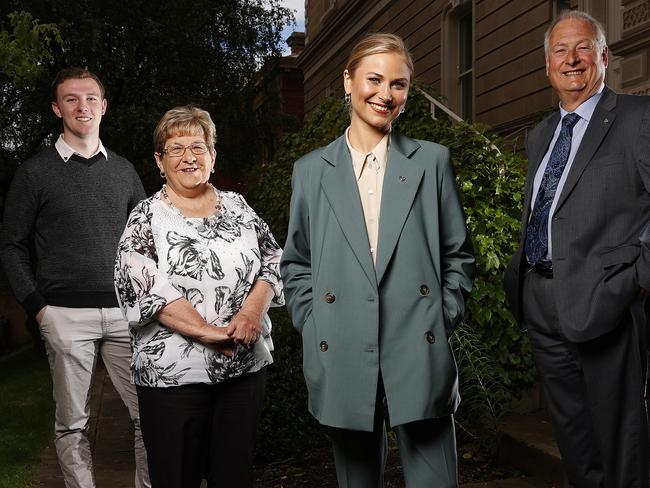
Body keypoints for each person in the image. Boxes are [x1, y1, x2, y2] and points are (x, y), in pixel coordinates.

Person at [280, 33, 475, 487]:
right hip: (343, 348)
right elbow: (297, 262)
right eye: (374, 79)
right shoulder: (311, 171)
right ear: (347, 81)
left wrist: (440, 317)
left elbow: (458, 256)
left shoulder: (432, 162)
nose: (385, 94)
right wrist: (314, 323)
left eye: (399, 84)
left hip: (417, 348)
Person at [504, 10, 650, 488]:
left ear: (604, 57)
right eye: (560, 51)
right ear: (547, 64)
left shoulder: (637, 118)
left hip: (607, 300)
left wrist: (634, 281)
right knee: (573, 438)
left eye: (583, 47)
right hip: (541, 301)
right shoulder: (541, 134)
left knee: (621, 441)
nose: (571, 59)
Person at [114, 105, 284, 488]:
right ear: (160, 161)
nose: (189, 157)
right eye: (176, 149)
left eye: (198, 146)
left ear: (213, 155)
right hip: (172, 378)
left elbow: (274, 258)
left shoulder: (239, 207)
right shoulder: (146, 217)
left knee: (233, 477)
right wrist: (209, 333)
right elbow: (143, 285)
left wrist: (252, 314)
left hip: (243, 371)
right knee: (176, 478)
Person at [0, 67, 150, 488]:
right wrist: (38, 307)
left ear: (103, 106)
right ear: (57, 108)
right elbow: (11, 245)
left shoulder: (124, 172)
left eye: (90, 98)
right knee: (72, 423)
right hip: (63, 314)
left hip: (125, 315)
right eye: (71, 99)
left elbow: (145, 243)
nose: (82, 106)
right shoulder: (35, 173)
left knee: (149, 415)